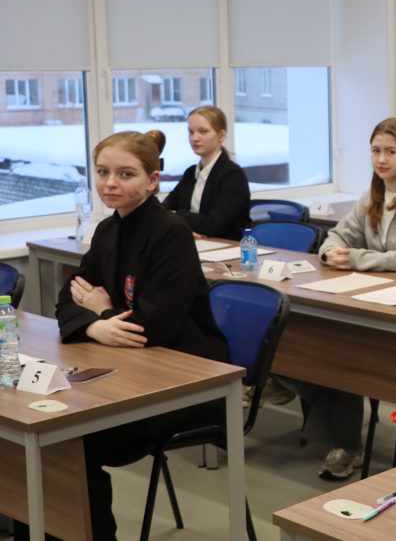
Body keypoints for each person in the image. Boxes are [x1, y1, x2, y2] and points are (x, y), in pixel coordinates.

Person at [44, 131, 229, 541]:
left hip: (185, 381)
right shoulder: (108, 230)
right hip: (130, 368)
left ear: (152, 180)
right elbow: (67, 299)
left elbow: (151, 327)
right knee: (48, 434)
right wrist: (98, 324)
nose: (110, 183)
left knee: (67, 440)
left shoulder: (171, 232)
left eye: (125, 174)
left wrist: (101, 310)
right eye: (102, 172)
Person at [282, 117, 396, 480]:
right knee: (323, 348)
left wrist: (358, 258)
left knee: (346, 352)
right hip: (380, 293)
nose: (382, 159)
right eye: (376, 151)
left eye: (391, 151)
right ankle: (344, 438)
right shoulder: (372, 195)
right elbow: (337, 235)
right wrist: (330, 252)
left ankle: (346, 442)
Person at [162, 105, 252, 240]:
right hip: (196, 244)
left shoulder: (233, 176)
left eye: (203, 131)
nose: (194, 138)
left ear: (221, 136)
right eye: (191, 132)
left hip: (227, 248)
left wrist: (177, 215)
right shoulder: (190, 173)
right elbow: (164, 209)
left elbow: (213, 225)